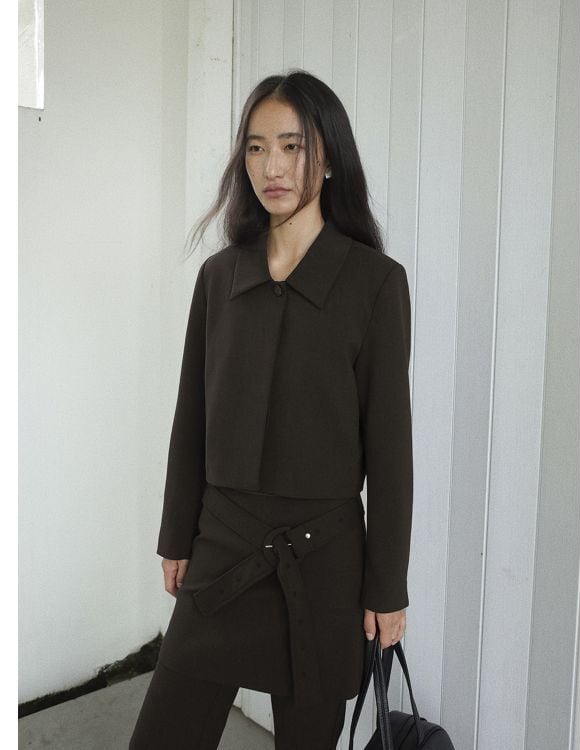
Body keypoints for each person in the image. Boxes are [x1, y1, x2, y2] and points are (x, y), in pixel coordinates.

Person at [129, 69, 413, 750]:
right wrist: (176, 535)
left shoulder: (375, 283)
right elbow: (191, 419)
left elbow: (391, 449)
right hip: (222, 550)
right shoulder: (219, 277)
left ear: (330, 157)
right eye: (256, 148)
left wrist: (387, 587)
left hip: (323, 566)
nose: (272, 167)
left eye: (293, 145)